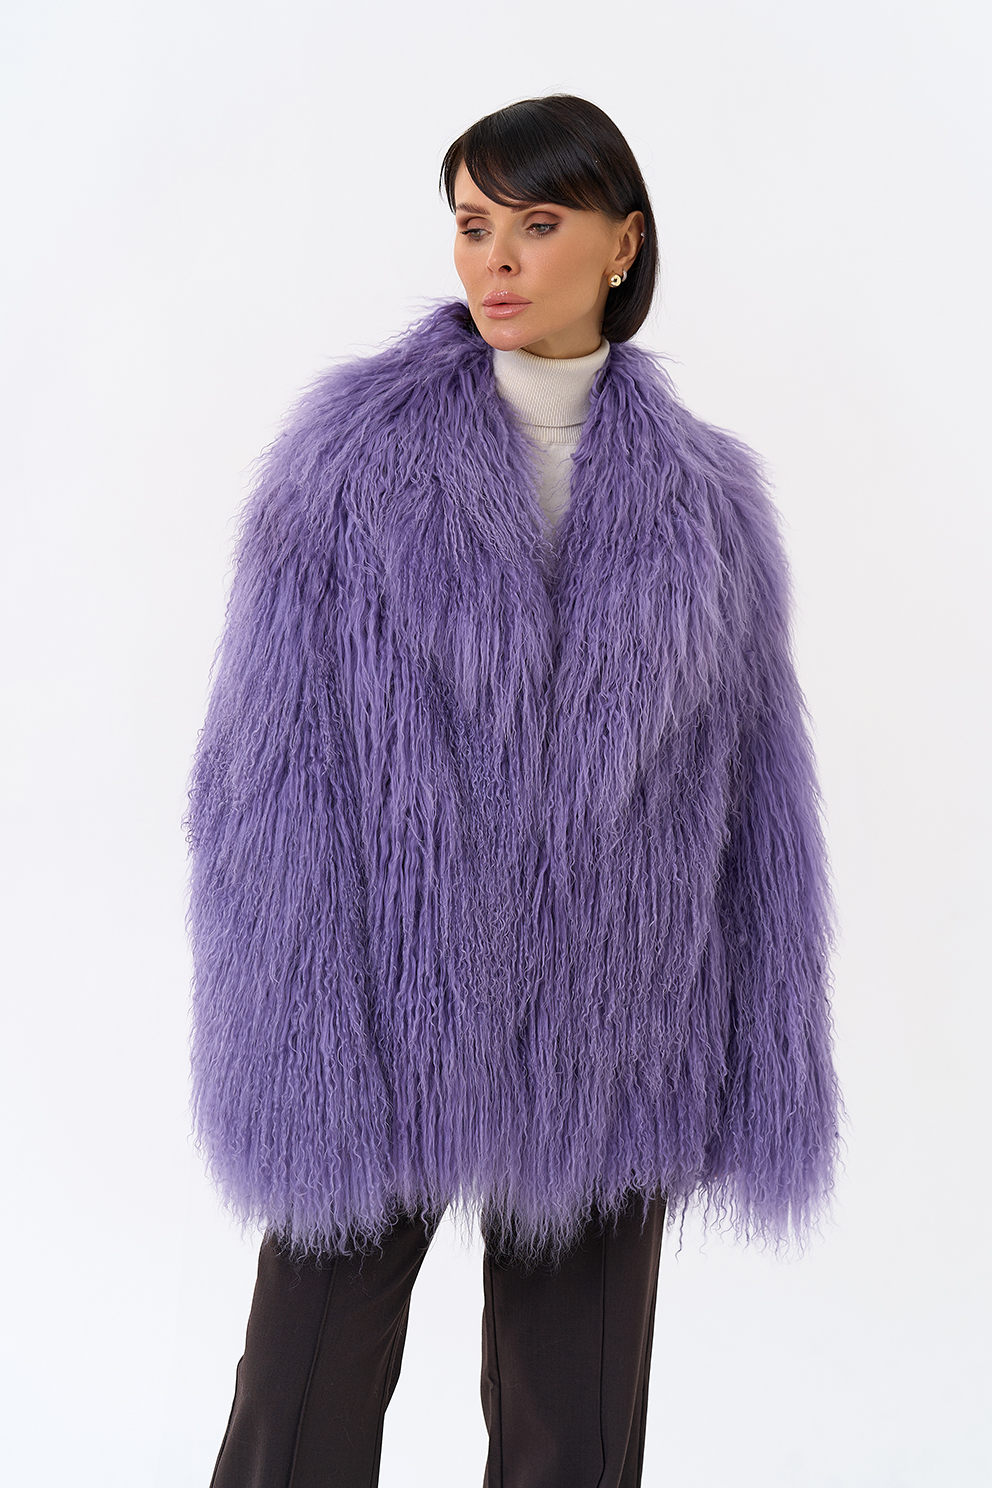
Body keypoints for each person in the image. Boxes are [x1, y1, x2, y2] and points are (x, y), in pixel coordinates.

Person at [185, 94, 841, 1488]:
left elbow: (759, 809)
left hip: (616, 1019)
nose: (495, 259)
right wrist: (301, 1026)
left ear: (622, 245)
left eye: (538, 224)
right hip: (384, 998)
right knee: (300, 1397)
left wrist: (746, 1047)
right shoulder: (350, 469)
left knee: (578, 1429)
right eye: (474, 223)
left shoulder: (710, 506)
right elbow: (264, 776)